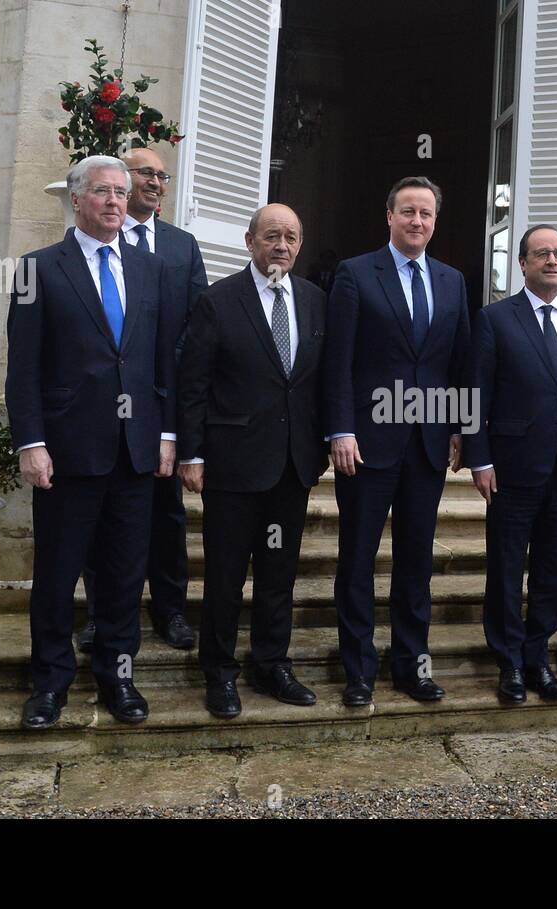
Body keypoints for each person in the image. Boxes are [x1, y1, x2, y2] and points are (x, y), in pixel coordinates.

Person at [6, 155, 177, 729]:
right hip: (67, 453)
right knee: (57, 575)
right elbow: (23, 368)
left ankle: (117, 678)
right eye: (101, 192)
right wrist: (31, 442)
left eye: (120, 193)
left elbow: (158, 362)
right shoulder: (40, 268)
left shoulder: (150, 269)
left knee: (126, 574)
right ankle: (50, 684)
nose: (113, 202)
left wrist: (166, 434)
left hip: (135, 451)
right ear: (76, 199)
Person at [324, 177, 471, 707]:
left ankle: (413, 666)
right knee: (358, 557)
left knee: (416, 562)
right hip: (367, 441)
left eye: (426, 213)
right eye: (407, 211)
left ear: (435, 221)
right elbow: (337, 360)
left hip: (427, 442)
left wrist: (459, 428)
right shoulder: (356, 274)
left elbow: (459, 363)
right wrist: (340, 429)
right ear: (389, 216)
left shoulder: (453, 281)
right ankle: (358, 670)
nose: (417, 221)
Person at [176, 204, 327, 718]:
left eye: (290, 236)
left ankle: (272, 663)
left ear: (300, 245)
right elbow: (193, 384)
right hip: (232, 465)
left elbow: (318, 382)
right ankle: (218, 672)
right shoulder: (217, 302)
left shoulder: (314, 301)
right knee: (225, 574)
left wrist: (325, 443)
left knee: (279, 572)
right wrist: (191, 453)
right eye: (270, 236)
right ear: (249, 242)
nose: (280, 245)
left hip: (292, 465)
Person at [77, 145, 208, 654]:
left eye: (161, 176)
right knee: (100, 515)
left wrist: (168, 382)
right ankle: (103, 611)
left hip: (163, 403)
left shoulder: (181, 246)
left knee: (166, 514)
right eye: (145, 174)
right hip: (105, 408)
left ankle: (170, 609)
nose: (155, 183)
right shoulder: (87, 247)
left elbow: (196, 325)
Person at [465, 225, 557, 703]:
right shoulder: (494, 319)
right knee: (506, 568)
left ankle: (537, 658)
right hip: (511, 469)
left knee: (552, 568)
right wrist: (479, 459)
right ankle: (509, 664)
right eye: (541, 253)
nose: (552, 261)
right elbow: (474, 397)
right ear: (522, 263)